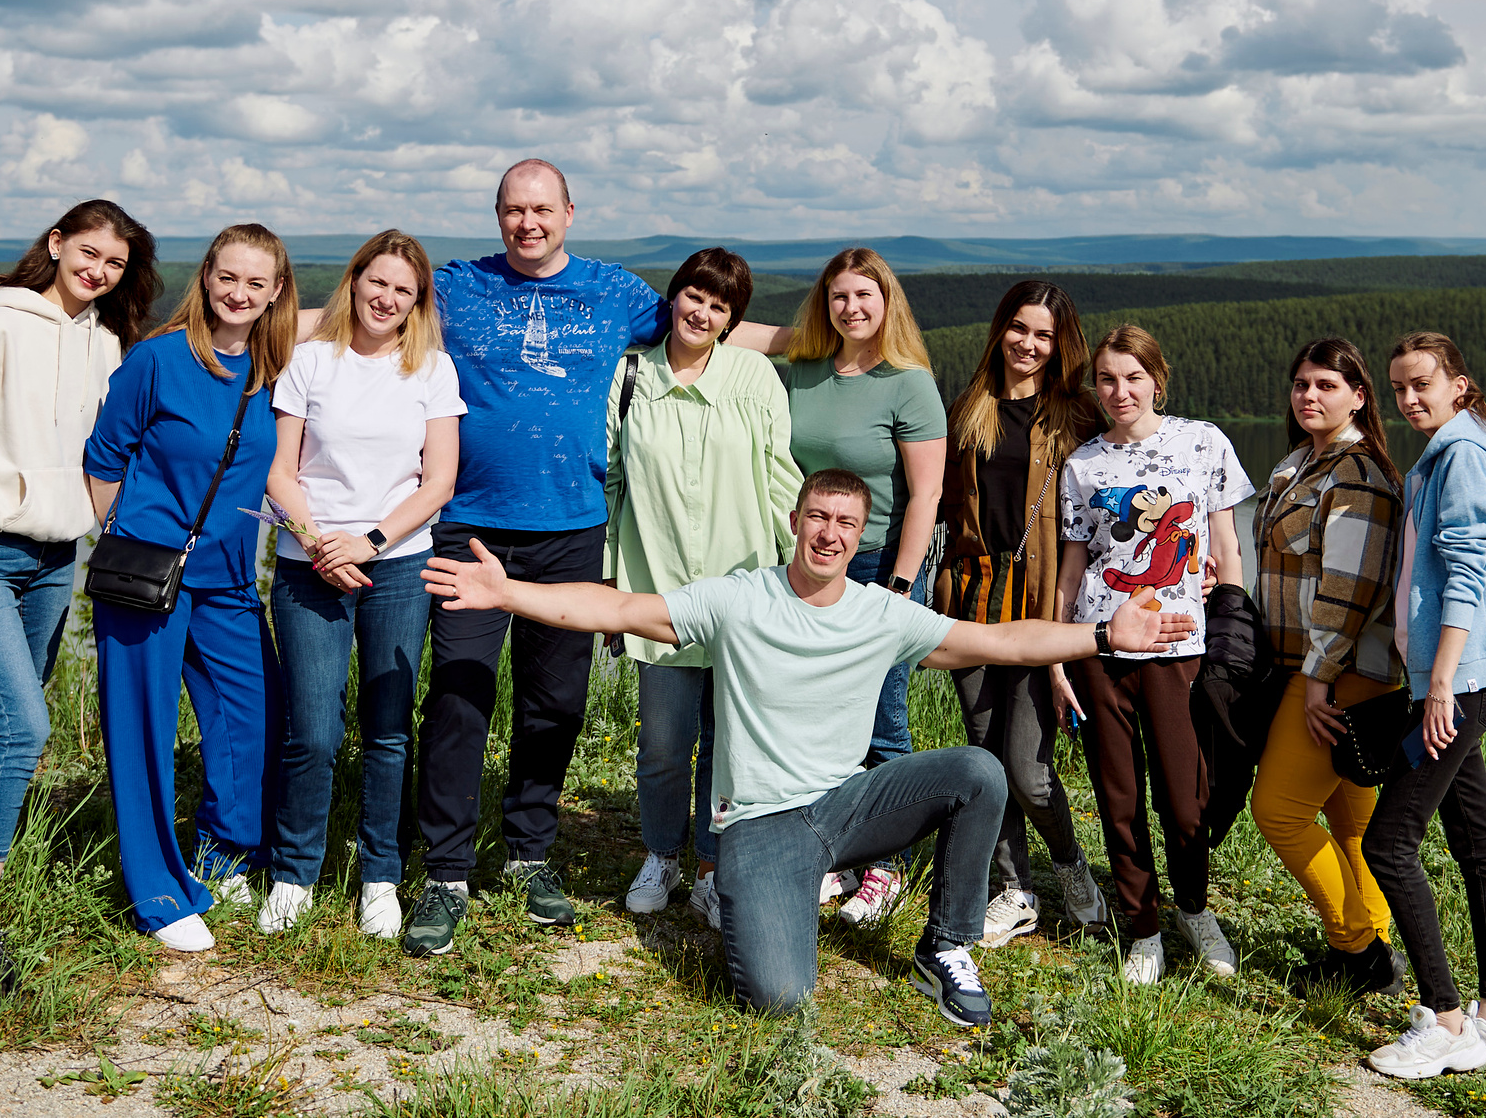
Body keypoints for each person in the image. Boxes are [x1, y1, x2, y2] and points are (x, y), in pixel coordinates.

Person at [421, 468, 1197, 1026]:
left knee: (977, 769)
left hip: (847, 805)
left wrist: (1103, 634)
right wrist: (509, 592)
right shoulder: (737, 599)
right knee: (779, 998)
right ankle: (761, 895)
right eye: (818, 516)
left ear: (861, 536)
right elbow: (619, 604)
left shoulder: (877, 613)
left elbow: (997, 638)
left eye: (846, 523)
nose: (830, 532)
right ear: (797, 520)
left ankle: (945, 944)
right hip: (760, 824)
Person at [398, 160, 782, 956]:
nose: (527, 222)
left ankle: (532, 854)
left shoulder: (615, 292)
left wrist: (847, 349)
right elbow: (360, 313)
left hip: (571, 530)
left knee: (555, 703)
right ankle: (446, 870)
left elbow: (706, 321)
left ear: (570, 211)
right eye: (513, 209)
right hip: (469, 527)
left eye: (541, 208)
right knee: (459, 699)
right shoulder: (458, 285)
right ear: (497, 213)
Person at [0, 199, 159, 993]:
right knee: (28, 723)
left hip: (55, 558)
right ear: (55, 245)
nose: (99, 270)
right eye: (88, 252)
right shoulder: (0, 323)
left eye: (114, 262)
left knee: (3, 726)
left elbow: (106, 447)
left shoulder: (107, 341)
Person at [83, 223, 295, 952]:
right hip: (148, 580)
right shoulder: (157, 360)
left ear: (275, 293)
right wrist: (131, 539)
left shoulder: (272, 370)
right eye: (226, 276)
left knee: (250, 718)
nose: (238, 293)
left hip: (231, 579)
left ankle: (226, 853)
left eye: (255, 283)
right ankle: (159, 894)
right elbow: (103, 457)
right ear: (206, 277)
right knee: (141, 733)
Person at [259, 230, 463, 940]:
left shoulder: (432, 369)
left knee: (387, 728)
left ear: (418, 302)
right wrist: (320, 544)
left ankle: (381, 874)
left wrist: (371, 543)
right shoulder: (310, 360)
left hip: (399, 564)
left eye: (403, 290)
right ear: (353, 283)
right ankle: (294, 872)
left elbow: (439, 480)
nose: (387, 298)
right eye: (377, 282)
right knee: (312, 731)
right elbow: (279, 469)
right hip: (307, 562)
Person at [1363, 332, 1486, 1080]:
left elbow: (1466, 571)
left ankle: (1446, 1021)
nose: (1410, 398)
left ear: (1460, 385)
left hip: (1461, 678)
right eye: (1399, 388)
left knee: (1389, 841)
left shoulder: (1463, 456)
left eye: (1422, 384)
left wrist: (1440, 681)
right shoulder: (1452, 454)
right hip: (1456, 676)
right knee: (1475, 843)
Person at [603, 247, 802, 932]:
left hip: (744, 587)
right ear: (675, 295)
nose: (702, 311)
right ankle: (661, 853)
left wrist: (798, 572)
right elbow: (611, 481)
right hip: (656, 590)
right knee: (661, 743)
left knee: (730, 744)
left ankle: (715, 869)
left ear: (731, 318)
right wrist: (607, 577)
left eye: (720, 305)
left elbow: (781, 476)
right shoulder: (630, 374)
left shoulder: (754, 376)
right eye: (694, 294)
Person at [1051, 324, 1253, 984]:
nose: (1120, 391)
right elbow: (1074, 563)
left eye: (1133, 377)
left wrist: (1231, 640)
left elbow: (1226, 549)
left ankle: (1194, 909)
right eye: (1107, 378)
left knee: (1184, 795)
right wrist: (1057, 653)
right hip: (1100, 644)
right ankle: (1143, 928)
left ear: (1156, 379)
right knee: (1118, 796)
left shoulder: (1203, 443)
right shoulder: (1081, 464)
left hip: (1180, 645)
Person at [933, 281, 1111, 947]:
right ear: (1000, 329)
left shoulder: (1079, 416)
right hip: (977, 598)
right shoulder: (970, 407)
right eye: (1018, 327)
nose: (1028, 344)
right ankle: (1016, 890)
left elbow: (1116, 507)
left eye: (1043, 334)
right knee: (984, 759)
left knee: (1030, 770)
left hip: (1044, 608)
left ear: (1060, 343)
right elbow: (943, 501)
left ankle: (1069, 866)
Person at [777, 246, 946, 927]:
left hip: (879, 564)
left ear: (888, 303)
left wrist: (901, 585)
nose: (851, 308)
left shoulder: (909, 381)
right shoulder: (807, 365)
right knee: (817, 705)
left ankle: (889, 863)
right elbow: (731, 330)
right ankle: (837, 845)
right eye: (839, 296)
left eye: (864, 297)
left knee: (884, 710)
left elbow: (926, 493)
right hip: (815, 558)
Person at [1246, 335, 1407, 997]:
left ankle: (1358, 951)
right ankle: (1378, 940)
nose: (1309, 395)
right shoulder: (1303, 464)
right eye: (1301, 384)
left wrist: (1317, 680)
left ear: (1360, 397)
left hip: (1337, 674)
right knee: (1349, 821)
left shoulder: (1358, 475)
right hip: (1310, 668)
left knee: (1279, 810)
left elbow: (1349, 587)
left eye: (1326, 386)